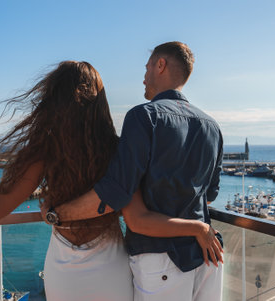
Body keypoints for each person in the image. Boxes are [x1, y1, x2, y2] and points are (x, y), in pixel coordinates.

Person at [0, 60, 221, 301]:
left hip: (63, 268)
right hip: (113, 267)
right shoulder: (116, 148)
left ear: (53, 100)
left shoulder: (44, 151)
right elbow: (134, 212)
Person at [51, 42, 224, 301]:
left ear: (160, 65)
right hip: (208, 256)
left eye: (147, 68)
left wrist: (57, 214)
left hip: (162, 261)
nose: (143, 78)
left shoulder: (144, 117)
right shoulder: (212, 126)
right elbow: (209, 195)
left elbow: (116, 193)